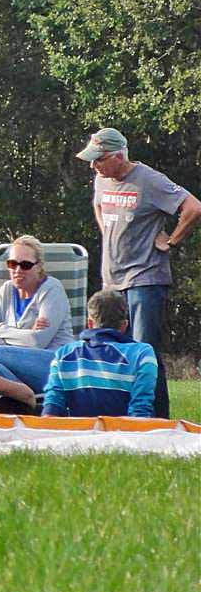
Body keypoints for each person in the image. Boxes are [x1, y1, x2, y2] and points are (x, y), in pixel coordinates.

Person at [78, 127, 200, 418]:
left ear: (119, 156)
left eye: (99, 159)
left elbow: (193, 207)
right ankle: (121, 415)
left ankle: (155, 420)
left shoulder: (149, 180)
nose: (94, 166)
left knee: (144, 352)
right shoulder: (101, 179)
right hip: (111, 280)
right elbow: (98, 205)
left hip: (145, 278)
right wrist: (109, 233)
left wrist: (172, 241)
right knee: (110, 348)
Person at [0, 235, 72, 394]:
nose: (17, 270)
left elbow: (37, 341)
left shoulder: (52, 289)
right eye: (12, 264)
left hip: (53, 366)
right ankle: (25, 405)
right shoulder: (7, 289)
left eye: (25, 265)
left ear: (38, 266)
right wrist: (24, 335)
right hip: (19, 372)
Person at [43, 290, 158, 418]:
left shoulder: (63, 354)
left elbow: (52, 406)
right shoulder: (142, 354)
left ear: (90, 323)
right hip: (124, 430)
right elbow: (140, 409)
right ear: (124, 325)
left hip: (79, 430)